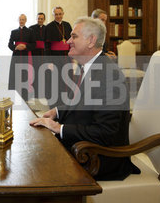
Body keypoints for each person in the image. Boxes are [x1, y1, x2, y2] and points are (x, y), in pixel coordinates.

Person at [30, 17, 138, 181]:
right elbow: (82, 102)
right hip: (83, 148)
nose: (67, 41)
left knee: (34, 168)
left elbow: (105, 133)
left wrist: (59, 128)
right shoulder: (90, 66)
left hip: (98, 159)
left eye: (74, 36)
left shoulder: (110, 76)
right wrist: (57, 111)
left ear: (91, 41)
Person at [8, 14, 36, 100]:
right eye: (20, 19)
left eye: (23, 19)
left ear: (26, 20)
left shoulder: (30, 31)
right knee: (15, 75)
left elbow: (34, 44)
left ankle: (25, 97)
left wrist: (25, 47)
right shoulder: (13, 32)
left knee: (25, 76)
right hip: (16, 55)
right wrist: (15, 47)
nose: (21, 21)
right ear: (18, 20)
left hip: (26, 56)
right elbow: (9, 44)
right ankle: (15, 96)